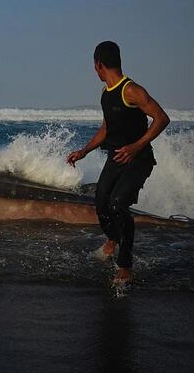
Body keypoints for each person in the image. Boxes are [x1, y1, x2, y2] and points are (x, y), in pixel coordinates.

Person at [66, 41, 170, 285]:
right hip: (116, 158)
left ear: (98, 64)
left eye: (94, 65)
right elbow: (106, 129)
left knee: (118, 204)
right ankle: (113, 238)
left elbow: (161, 118)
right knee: (101, 201)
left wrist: (137, 146)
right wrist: (84, 151)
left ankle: (125, 266)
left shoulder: (131, 90)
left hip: (139, 160)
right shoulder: (106, 93)